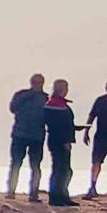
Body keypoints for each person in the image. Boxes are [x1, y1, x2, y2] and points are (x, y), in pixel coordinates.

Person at [6, 74, 49, 200]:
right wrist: (29, 95)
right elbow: (12, 108)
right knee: (15, 163)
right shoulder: (21, 94)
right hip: (20, 134)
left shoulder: (45, 98)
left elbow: (49, 116)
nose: (37, 84)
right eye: (35, 82)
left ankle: (33, 193)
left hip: (37, 136)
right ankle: (11, 191)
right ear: (31, 82)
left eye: (40, 82)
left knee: (36, 165)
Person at [43, 78, 80, 206]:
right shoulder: (55, 104)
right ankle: (56, 197)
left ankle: (62, 195)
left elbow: (64, 124)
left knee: (64, 169)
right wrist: (66, 140)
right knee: (61, 169)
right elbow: (59, 125)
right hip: (59, 140)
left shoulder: (57, 103)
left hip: (58, 139)